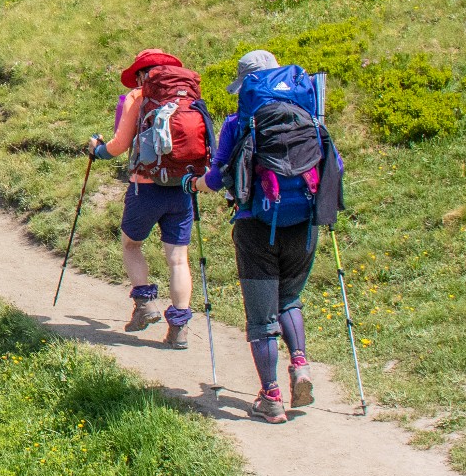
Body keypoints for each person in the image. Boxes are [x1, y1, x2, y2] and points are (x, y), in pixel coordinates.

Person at [199, 49, 344, 423]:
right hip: (305, 225)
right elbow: (336, 165)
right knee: (290, 300)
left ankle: (272, 397)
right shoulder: (310, 117)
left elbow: (216, 179)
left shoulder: (239, 123)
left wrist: (197, 182)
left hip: (255, 227)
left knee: (261, 319)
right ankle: (300, 366)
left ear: (248, 84)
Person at [87, 49, 212, 348]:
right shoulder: (188, 97)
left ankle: (145, 305)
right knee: (178, 259)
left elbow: (119, 145)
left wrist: (97, 150)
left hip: (145, 187)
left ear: (142, 73)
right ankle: (179, 329)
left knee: (131, 245)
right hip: (183, 187)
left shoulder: (138, 97)